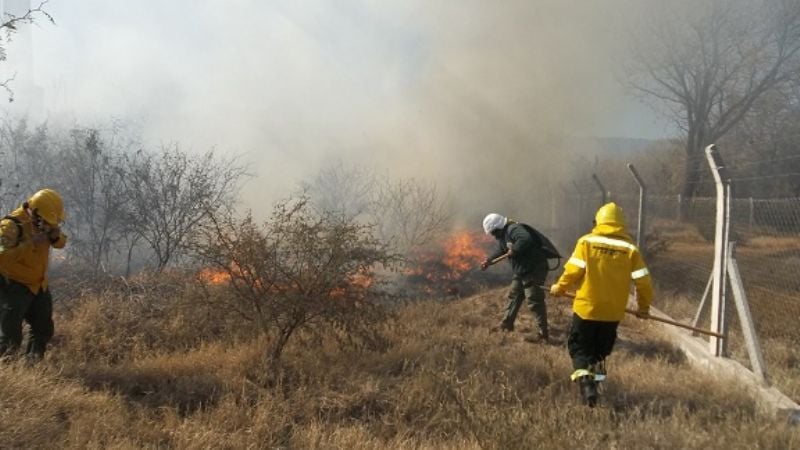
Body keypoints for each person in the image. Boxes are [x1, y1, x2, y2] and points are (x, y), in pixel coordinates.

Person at [549, 202, 652, 407]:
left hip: (587, 309)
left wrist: (559, 288)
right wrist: (643, 308)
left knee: (579, 348)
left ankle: (587, 386)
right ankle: (597, 385)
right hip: (613, 312)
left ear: (598, 222)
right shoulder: (630, 249)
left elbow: (572, 271)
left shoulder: (587, 243)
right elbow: (644, 282)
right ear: (621, 224)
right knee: (601, 351)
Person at [0, 188, 67, 361]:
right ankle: (6, 372)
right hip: (13, 286)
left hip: (38, 285)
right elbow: (1, 258)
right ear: (34, 212)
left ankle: (33, 364)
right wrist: (29, 244)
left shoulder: (44, 223)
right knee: (10, 337)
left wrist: (56, 236)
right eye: (45, 221)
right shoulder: (11, 226)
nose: (48, 225)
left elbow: (60, 243)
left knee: (43, 329)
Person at [480, 213, 549, 342]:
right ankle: (506, 326)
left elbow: (526, 239)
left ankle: (543, 334)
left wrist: (515, 249)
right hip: (521, 271)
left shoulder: (514, 229)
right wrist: (489, 260)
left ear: (499, 227)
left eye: (494, 232)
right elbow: (502, 250)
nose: (494, 235)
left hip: (534, 269)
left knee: (534, 299)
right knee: (514, 296)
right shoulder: (503, 236)